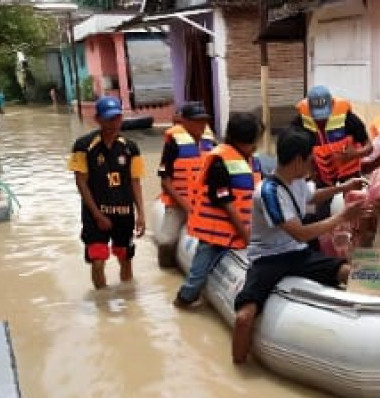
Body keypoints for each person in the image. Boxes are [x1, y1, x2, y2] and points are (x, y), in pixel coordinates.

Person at [231, 127, 365, 364]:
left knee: (348, 272)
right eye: (309, 160)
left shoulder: (297, 180)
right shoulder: (268, 192)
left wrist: (344, 187)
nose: (312, 165)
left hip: (296, 253)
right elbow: (301, 234)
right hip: (268, 258)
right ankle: (238, 371)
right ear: (297, 160)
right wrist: (342, 217)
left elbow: (312, 196)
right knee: (244, 317)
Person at [173, 112, 263, 308]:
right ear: (242, 140)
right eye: (254, 140)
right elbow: (225, 201)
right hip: (214, 235)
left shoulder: (251, 160)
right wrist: (245, 233)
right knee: (198, 273)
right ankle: (184, 298)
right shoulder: (219, 161)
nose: (257, 145)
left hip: (238, 232)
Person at [68, 96, 146, 289]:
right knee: (97, 262)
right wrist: (97, 215)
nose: (113, 123)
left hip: (123, 214)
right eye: (108, 119)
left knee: (125, 259)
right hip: (95, 217)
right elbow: (81, 183)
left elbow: (135, 182)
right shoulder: (84, 146)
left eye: (117, 118)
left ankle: (128, 300)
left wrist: (141, 214)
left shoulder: (130, 148)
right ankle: (101, 301)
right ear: (98, 120)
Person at [292, 85, 372, 221]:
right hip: (322, 172)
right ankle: (323, 236)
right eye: (317, 116)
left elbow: (369, 147)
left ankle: (355, 236)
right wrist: (310, 169)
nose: (321, 120)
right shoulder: (301, 121)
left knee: (355, 206)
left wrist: (354, 155)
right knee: (322, 211)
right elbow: (295, 148)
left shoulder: (348, 118)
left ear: (332, 105)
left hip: (349, 171)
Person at [156, 101, 216, 267]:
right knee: (167, 241)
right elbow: (165, 181)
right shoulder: (172, 144)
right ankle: (166, 270)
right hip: (178, 204)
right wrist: (187, 208)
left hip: (205, 203)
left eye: (204, 120)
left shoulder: (211, 144)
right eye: (197, 121)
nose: (202, 125)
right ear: (185, 122)